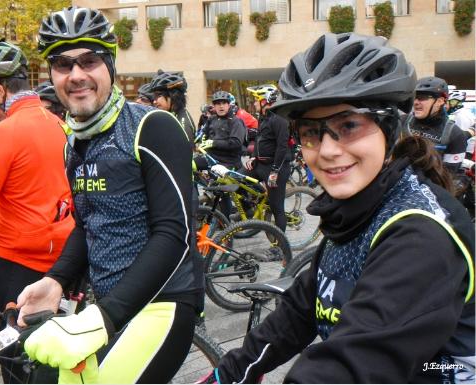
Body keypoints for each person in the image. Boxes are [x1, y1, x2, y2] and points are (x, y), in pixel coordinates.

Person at [201, 32, 474, 384]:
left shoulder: (421, 234)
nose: (326, 150)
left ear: (389, 129)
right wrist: (231, 372)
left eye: (348, 125)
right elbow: (301, 309)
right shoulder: (359, 207)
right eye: (311, 131)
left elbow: (351, 364)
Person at [16, 7, 203, 383]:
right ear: (52, 75)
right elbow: (88, 226)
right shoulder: (75, 144)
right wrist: (55, 281)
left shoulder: (152, 126)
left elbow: (174, 234)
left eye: (90, 60)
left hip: (163, 304)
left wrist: (105, 316)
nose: (77, 75)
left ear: (110, 66)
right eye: (63, 65)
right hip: (107, 308)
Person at [0, 38, 75, 320]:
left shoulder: (0, 133)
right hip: (62, 256)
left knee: (11, 353)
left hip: (18, 259)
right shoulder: (61, 125)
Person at [241, 84, 291, 232]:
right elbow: (259, 140)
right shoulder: (264, 117)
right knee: (237, 179)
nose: (254, 103)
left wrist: (275, 171)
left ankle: (280, 247)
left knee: (277, 209)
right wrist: (253, 157)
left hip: (276, 168)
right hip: (260, 165)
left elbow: (282, 147)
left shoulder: (280, 119)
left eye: (256, 100)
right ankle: (254, 207)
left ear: (265, 100)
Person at [402, 76, 468, 174]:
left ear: (440, 101)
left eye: (422, 98)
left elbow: (449, 176)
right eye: (414, 97)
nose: (415, 102)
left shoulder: (455, 134)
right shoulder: (403, 121)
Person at [197, 90, 247, 170]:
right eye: (218, 104)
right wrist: (202, 139)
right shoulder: (212, 119)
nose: (221, 106)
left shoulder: (236, 121)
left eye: (224, 103)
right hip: (210, 158)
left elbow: (236, 143)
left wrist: (214, 143)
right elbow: (204, 134)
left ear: (228, 105)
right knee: (189, 164)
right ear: (214, 106)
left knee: (216, 179)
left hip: (228, 162)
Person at [148, 69, 196, 142]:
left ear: (173, 96)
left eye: (158, 95)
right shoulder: (173, 116)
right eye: (154, 97)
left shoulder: (183, 123)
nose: (154, 101)